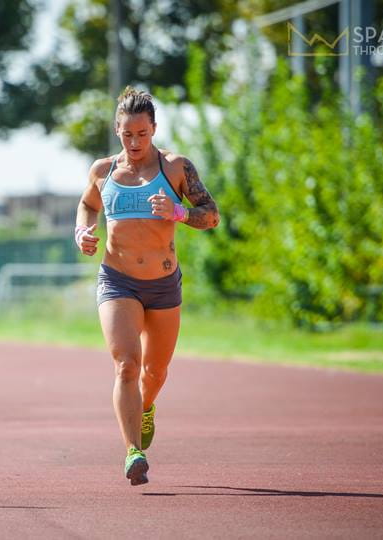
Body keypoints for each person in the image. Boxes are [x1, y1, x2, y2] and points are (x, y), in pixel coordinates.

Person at [74, 87, 220, 486]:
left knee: (154, 371)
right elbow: (88, 204)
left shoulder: (176, 168)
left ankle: (147, 406)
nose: (134, 142)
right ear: (117, 130)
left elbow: (212, 216)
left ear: (153, 129)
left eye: (142, 133)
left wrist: (177, 211)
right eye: (126, 134)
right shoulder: (103, 171)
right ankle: (132, 452)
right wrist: (82, 231)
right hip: (117, 280)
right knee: (126, 364)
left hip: (163, 285)